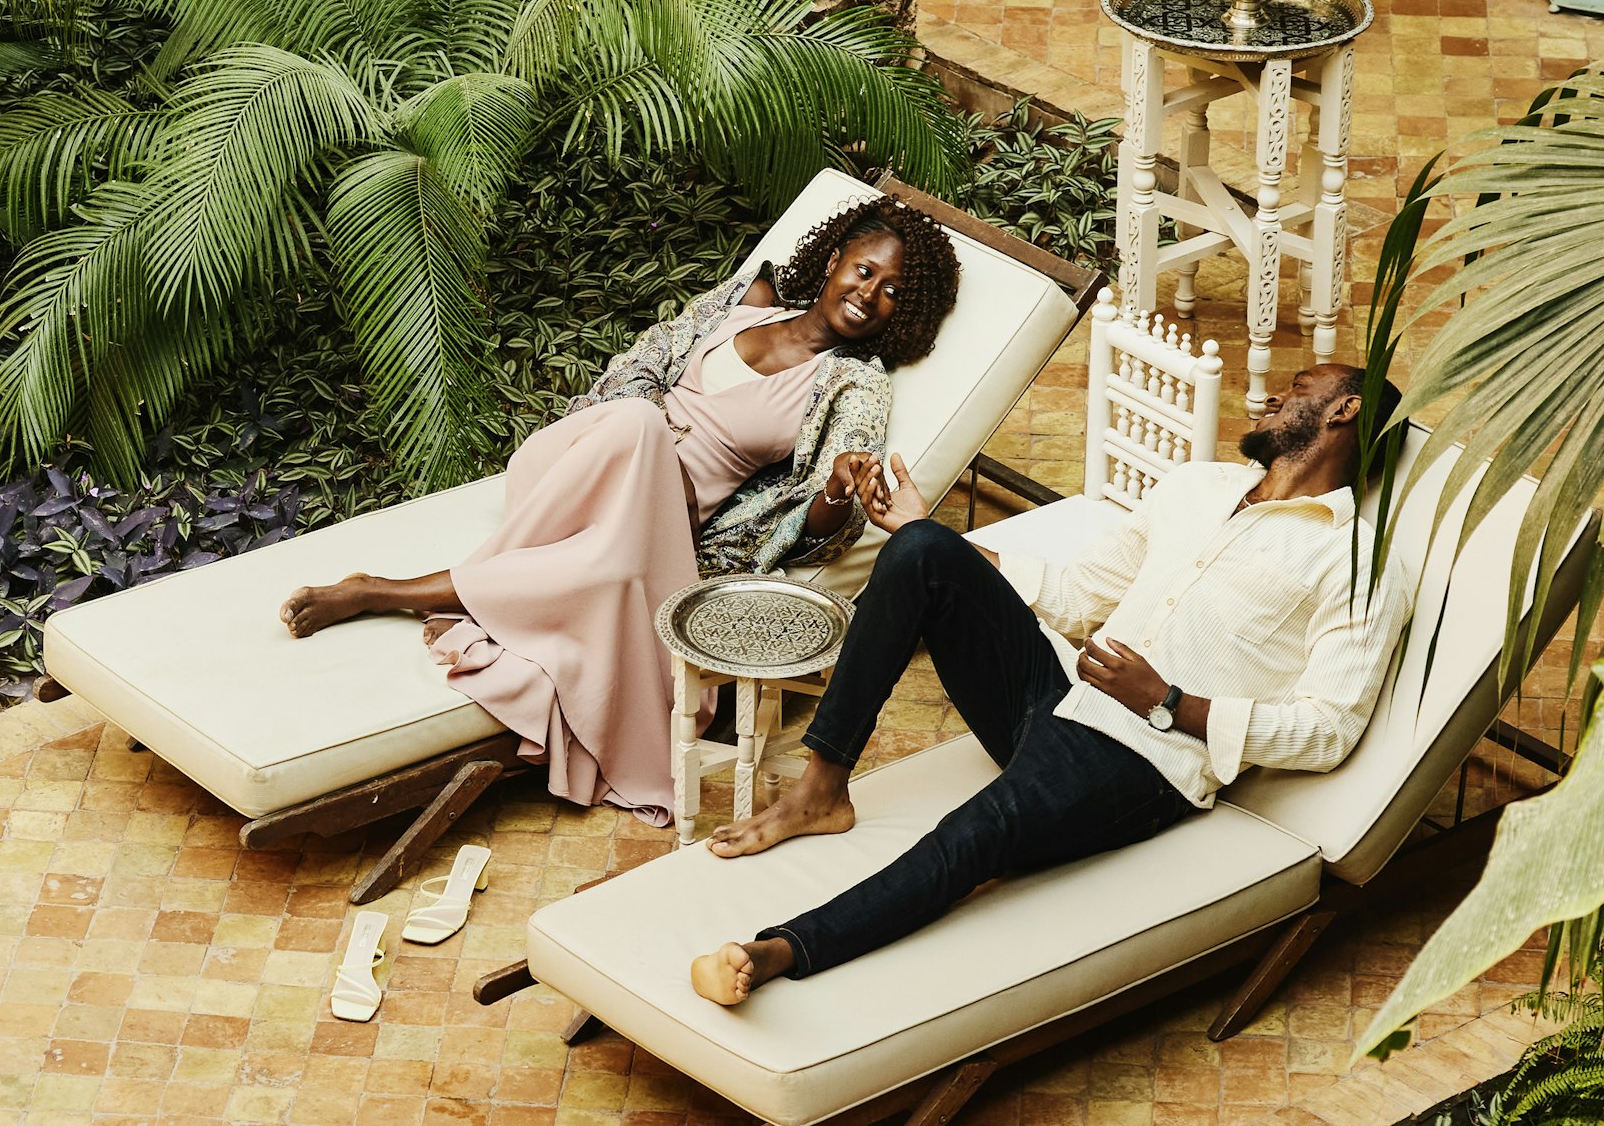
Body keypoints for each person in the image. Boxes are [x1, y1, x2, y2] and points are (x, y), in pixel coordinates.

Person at [689, 359, 1411, 1005]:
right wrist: (930, 538)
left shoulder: (1358, 565)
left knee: (974, 836)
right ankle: (822, 790)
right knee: (920, 550)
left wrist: (1166, 702)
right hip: (1057, 691)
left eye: (1297, 390)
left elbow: (1327, 729)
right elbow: (1074, 594)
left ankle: (780, 949)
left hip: (1141, 761)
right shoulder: (1198, 487)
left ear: (1343, 413)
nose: (1273, 398)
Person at [278, 199, 964, 819]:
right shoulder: (749, 301)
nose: (871, 293)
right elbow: (637, 368)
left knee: (610, 564)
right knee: (637, 423)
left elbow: (815, 531)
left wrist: (839, 488)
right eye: (866, 271)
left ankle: (382, 590)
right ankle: (409, 589)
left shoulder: (852, 385)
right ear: (835, 259)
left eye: (892, 292)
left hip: (656, 525)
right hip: (578, 465)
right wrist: (644, 430)